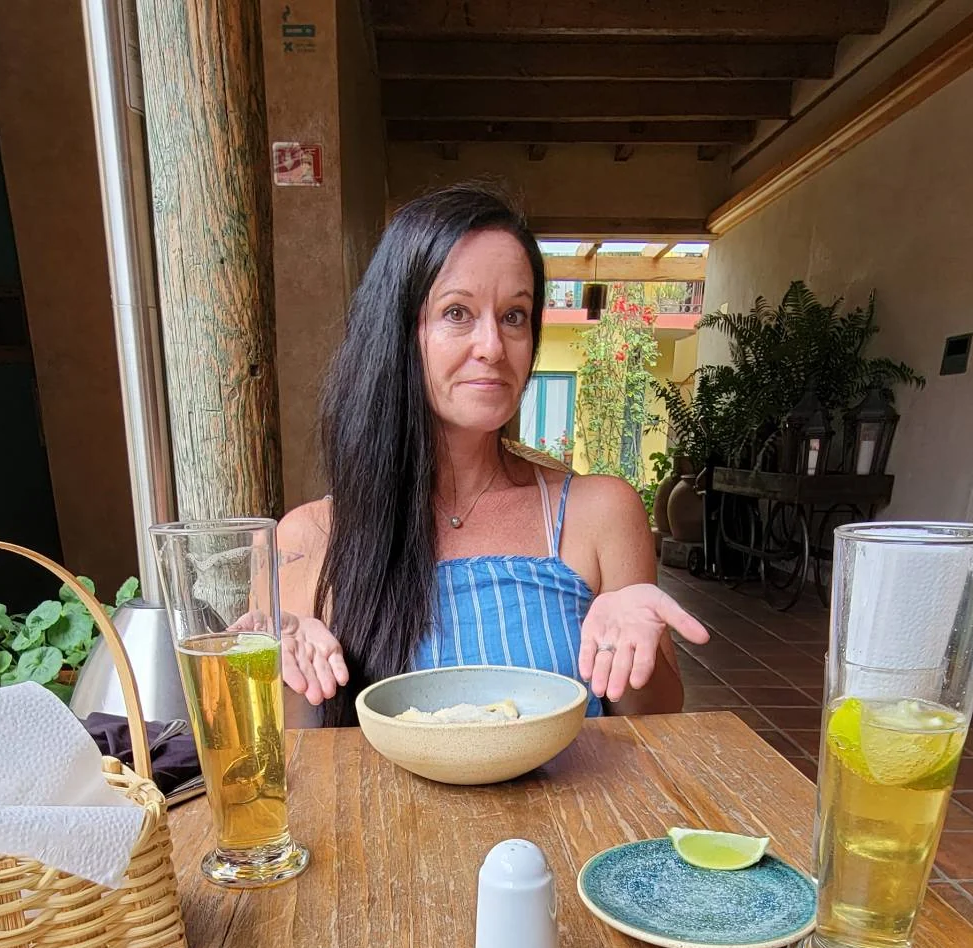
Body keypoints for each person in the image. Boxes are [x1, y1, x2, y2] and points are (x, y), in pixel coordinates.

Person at [276, 182, 708, 722]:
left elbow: (654, 725)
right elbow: (295, 754)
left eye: (514, 316)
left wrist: (632, 652)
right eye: (457, 313)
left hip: (569, 809)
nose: (493, 346)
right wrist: (278, 673)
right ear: (399, 332)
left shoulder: (599, 513)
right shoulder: (310, 538)